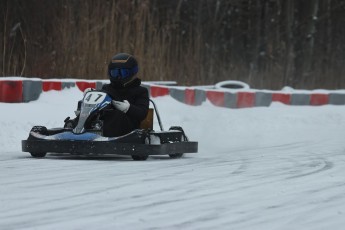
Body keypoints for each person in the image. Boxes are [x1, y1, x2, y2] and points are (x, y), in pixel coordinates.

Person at [100, 53, 149, 137]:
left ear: (132, 72)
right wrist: (91, 95)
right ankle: (75, 129)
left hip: (128, 132)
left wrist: (128, 108)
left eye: (122, 73)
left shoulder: (141, 91)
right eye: (115, 73)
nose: (118, 76)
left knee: (117, 115)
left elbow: (142, 113)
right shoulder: (106, 89)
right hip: (102, 126)